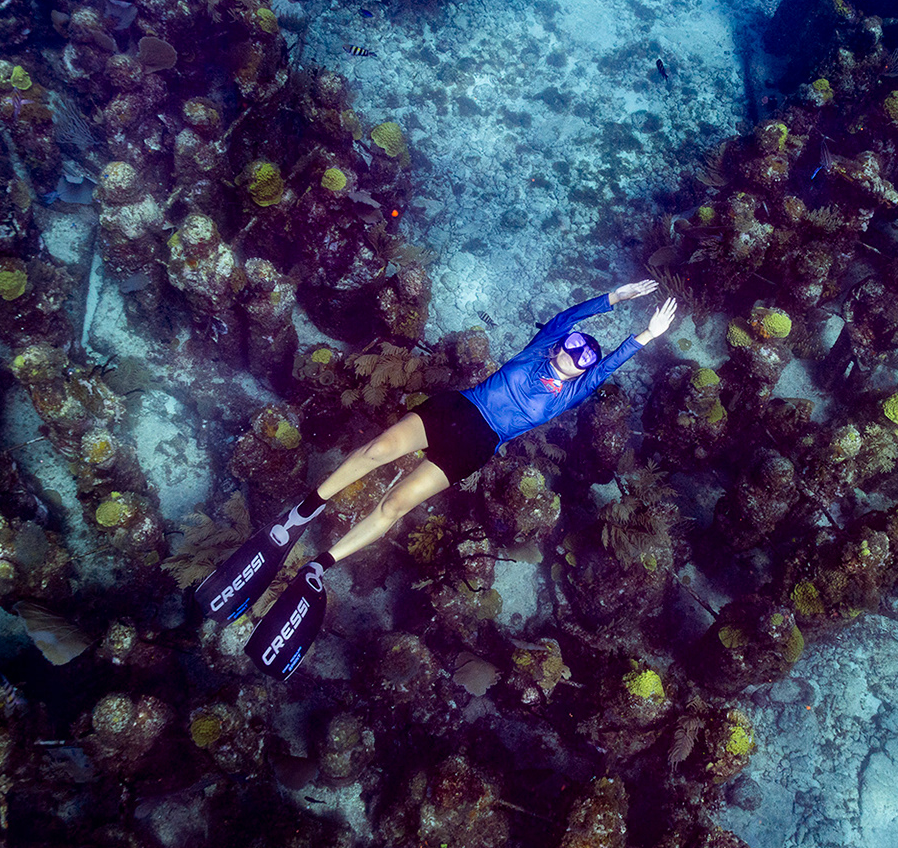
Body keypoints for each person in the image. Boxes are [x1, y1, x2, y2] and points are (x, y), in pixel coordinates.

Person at [193, 280, 678, 677]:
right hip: (457, 409)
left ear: (583, 371)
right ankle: (304, 510)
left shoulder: (570, 394)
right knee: (377, 450)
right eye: (572, 345)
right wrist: (617, 298)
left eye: (583, 357)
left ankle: (320, 565)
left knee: (395, 505)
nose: (573, 353)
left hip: (476, 446)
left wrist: (646, 338)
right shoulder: (541, 347)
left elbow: (611, 363)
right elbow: (572, 315)